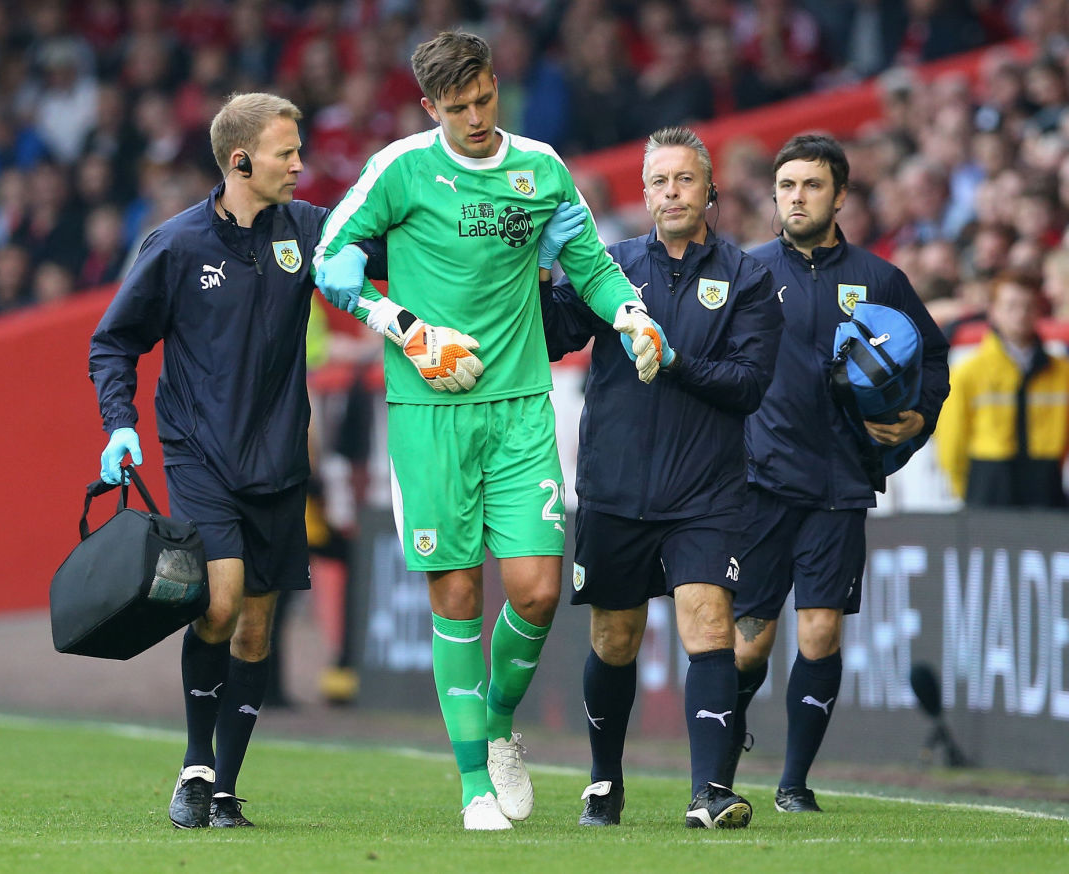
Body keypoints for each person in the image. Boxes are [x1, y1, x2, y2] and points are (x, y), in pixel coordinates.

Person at [312, 30, 665, 831]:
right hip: (431, 412)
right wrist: (404, 326)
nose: (476, 117)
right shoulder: (400, 169)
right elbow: (329, 260)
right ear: (430, 106)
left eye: (485, 99)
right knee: (459, 593)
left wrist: (633, 314)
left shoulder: (538, 168)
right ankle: (474, 783)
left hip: (519, 407)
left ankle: (498, 725)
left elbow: (590, 264)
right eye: (458, 106)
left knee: (539, 592)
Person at [87, 92, 392, 830]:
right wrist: (119, 424)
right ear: (240, 160)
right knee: (218, 603)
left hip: (279, 462)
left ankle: (224, 788)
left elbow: (396, 244)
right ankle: (193, 766)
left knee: (257, 627)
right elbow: (114, 341)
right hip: (201, 457)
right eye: (286, 151)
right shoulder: (176, 244)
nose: (299, 163)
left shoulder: (311, 232)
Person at [541, 126, 783, 829]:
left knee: (708, 623)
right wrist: (546, 274)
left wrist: (672, 360)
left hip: (705, 491)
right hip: (616, 485)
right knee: (615, 638)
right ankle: (603, 781)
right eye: (658, 182)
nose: (671, 192)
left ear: (709, 189)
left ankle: (709, 790)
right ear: (643, 193)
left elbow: (748, 385)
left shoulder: (747, 277)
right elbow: (556, 339)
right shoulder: (607, 264)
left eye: (683, 179)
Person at [723, 133, 950, 812]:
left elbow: (933, 361)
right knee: (747, 645)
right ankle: (718, 774)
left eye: (812, 185)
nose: (797, 196)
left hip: (840, 482)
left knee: (821, 631)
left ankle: (794, 783)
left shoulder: (881, 280)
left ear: (840, 194)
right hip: (758, 483)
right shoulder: (746, 271)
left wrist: (915, 421)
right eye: (787, 185)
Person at [935, 273, 1069, 508]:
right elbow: (951, 442)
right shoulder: (968, 373)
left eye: (1028, 306)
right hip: (988, 483)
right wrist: (966, 491)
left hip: (1046, 484)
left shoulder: (1061, 373)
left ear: (1039, 311)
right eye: (1011, 306)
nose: (1020, 314)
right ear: (993, 311)